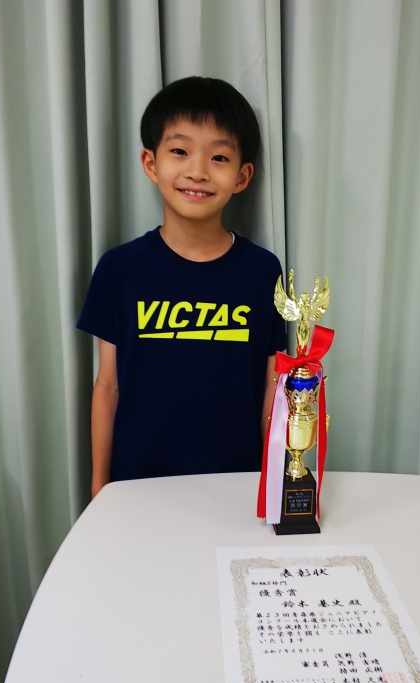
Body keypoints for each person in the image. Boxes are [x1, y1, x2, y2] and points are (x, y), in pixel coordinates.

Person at [77, 76, 287, 498]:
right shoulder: (119, 269)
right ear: (151, 163)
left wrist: (274, 479)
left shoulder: (263, 271)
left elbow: (272, 384)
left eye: (219, 157)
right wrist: (100, 485)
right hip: (138, 486)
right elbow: (107, 386)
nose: (197, 171)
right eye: (179, 151)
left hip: (236, 485)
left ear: (243, 176)